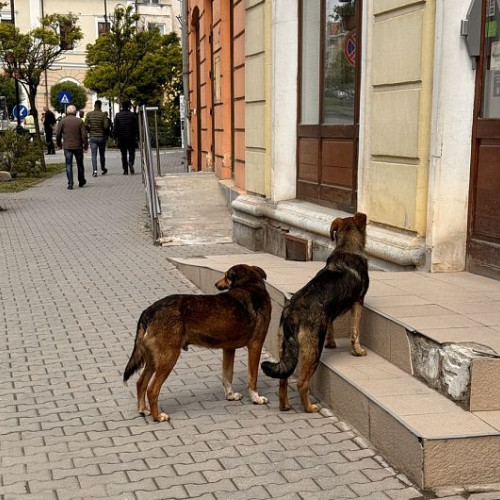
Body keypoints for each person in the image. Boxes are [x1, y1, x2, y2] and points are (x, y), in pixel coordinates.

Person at [56, 104, 88, 190]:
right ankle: (81, 181)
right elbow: (84, 135)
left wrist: (59, 144)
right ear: (75, 112)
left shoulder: (62, 121)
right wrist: (85, 145)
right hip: (78, 146)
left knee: (68, 164)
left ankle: (70, 183)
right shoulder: (80, 121)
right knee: (80, 164)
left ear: (67, 112)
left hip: (67, 147)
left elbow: (58, 134)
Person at [113, 100, 139, 175]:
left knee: (123, 154)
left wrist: (115, 137)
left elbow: (115, 128)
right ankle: (130, 162)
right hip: (131, 137)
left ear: (122, 106)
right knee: (131, 152)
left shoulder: (118, 115)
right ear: (129, 106)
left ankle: (125, 170)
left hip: (121, 138)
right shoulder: (132, 115)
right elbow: (136, 127)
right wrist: (137, 136)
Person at [85, 100, 109, 177]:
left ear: (94, 105)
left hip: (92, 137)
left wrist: (89, 130)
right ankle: (103, 168)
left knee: (93, 155)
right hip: (101, 137)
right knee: (102, 154)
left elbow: (85, 125)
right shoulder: (103, 115)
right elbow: (106, 126)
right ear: (100, 106)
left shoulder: (89, 114)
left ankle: (95, 170)